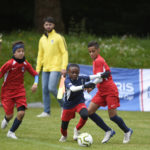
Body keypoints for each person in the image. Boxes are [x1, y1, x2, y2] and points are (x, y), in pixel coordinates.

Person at [87, 41, 133, 144]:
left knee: (112, 116)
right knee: (89, 112)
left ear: (98, 50)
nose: (91, 54)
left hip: (110, 91)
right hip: (101, 91)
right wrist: (93, 86)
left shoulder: (99, 60)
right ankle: (108, 131)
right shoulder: (95, 61)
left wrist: (92, 86)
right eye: (89, 52)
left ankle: (127, 130)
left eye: (93, 51)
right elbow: (101, 76)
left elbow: (101, 78)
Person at [0, 41, 39, 139]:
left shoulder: (25, 64)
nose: (21, 53)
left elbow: (35, 74)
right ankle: (6, 119)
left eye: (22, 51)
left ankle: (11, 132)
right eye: (18, 51)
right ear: (14, 53)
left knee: (21, 113)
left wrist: (35, 84)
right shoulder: (9, 64)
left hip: (20, 91)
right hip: (7, 92)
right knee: (9, 115)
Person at [59, 64, 101, 142]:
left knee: (85, 114)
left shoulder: (81, 78)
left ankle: (76, 130)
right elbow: (73, 89)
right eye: (72, 72)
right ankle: (64, 136)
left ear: (79, 72)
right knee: (64, 126)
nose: (75, 74)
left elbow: (90, 77)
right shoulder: (67, 80)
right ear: (68, 72)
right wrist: (84, 86)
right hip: (68, 105)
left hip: (79, 102)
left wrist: (100, 75)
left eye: (77, 73)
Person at [36, 16, 68, 117]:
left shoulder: (59, 37)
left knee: (52, 88)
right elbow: (40, 55)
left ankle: (64, 106)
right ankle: (46, 111)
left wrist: (64, 67)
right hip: (45, 68)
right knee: (45, 89)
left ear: (53, 25)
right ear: (44, 26)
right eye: (46, 24)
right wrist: (37, 69)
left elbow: (64, 53)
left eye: (50, 24)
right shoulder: (42, 39)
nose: (48, 26)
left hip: (56, 67)